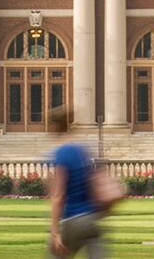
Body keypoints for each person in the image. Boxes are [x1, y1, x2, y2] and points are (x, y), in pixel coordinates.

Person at [46, 106, 124, 258]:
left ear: (54, 127)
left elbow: (58, 196)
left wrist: (54, 232)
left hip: (72, 221)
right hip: (91, 220)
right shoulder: (81, 150)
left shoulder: (60, 153)